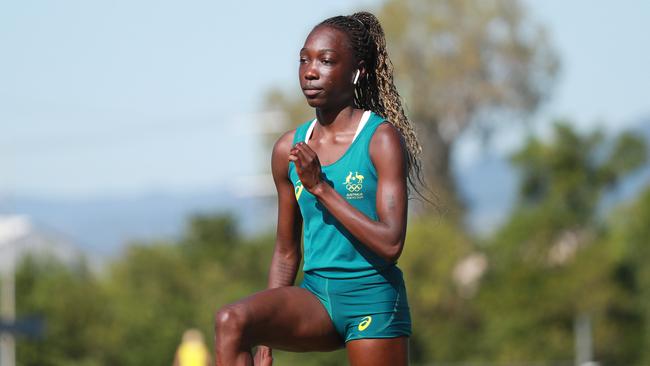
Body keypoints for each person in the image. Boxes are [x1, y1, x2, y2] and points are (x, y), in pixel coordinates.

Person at [214, 11, 426, 366]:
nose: (310, 71)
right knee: (231, 321)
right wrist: (265, 344)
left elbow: (391, 244)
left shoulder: (380, 139)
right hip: (316, 299)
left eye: (326, 61)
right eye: (304, 60)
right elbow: (285, 253)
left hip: (370, 299)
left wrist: (321, 188)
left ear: (357, 72)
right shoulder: (288, 149)